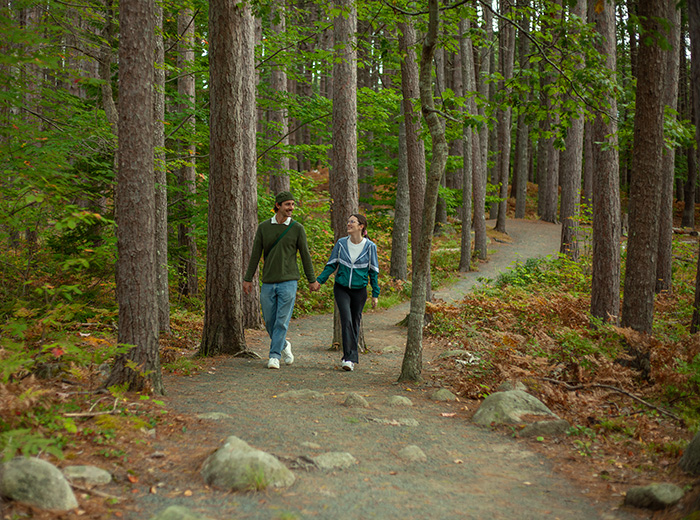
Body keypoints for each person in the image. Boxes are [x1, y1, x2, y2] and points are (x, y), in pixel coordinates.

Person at [243, 191, 320, 369]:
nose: (291, 208)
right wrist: (248, 279)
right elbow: (255, 255)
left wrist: (312, 280)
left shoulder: (297, 228)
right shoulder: (263, 227)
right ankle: (284, 345)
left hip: (289, 281)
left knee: (281, 321)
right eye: (287, 204)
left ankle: (274, 356)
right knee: (269, 321)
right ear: (278, 205)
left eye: (293, 204)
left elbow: (305, 256)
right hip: (268, 281)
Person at [316, 214, 380, 371]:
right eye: (348, 221)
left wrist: (375, 294)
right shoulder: (341, 244)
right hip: (341, 288)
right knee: (346, 320)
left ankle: (350, 356)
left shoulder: (370, 247)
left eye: (352, 221)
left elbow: (373, 272)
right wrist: (319, 281)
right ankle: (348, 359)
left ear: (361, 226)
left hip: (360, 291)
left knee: (355, 321)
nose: (349, 223)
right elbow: (331, 265)